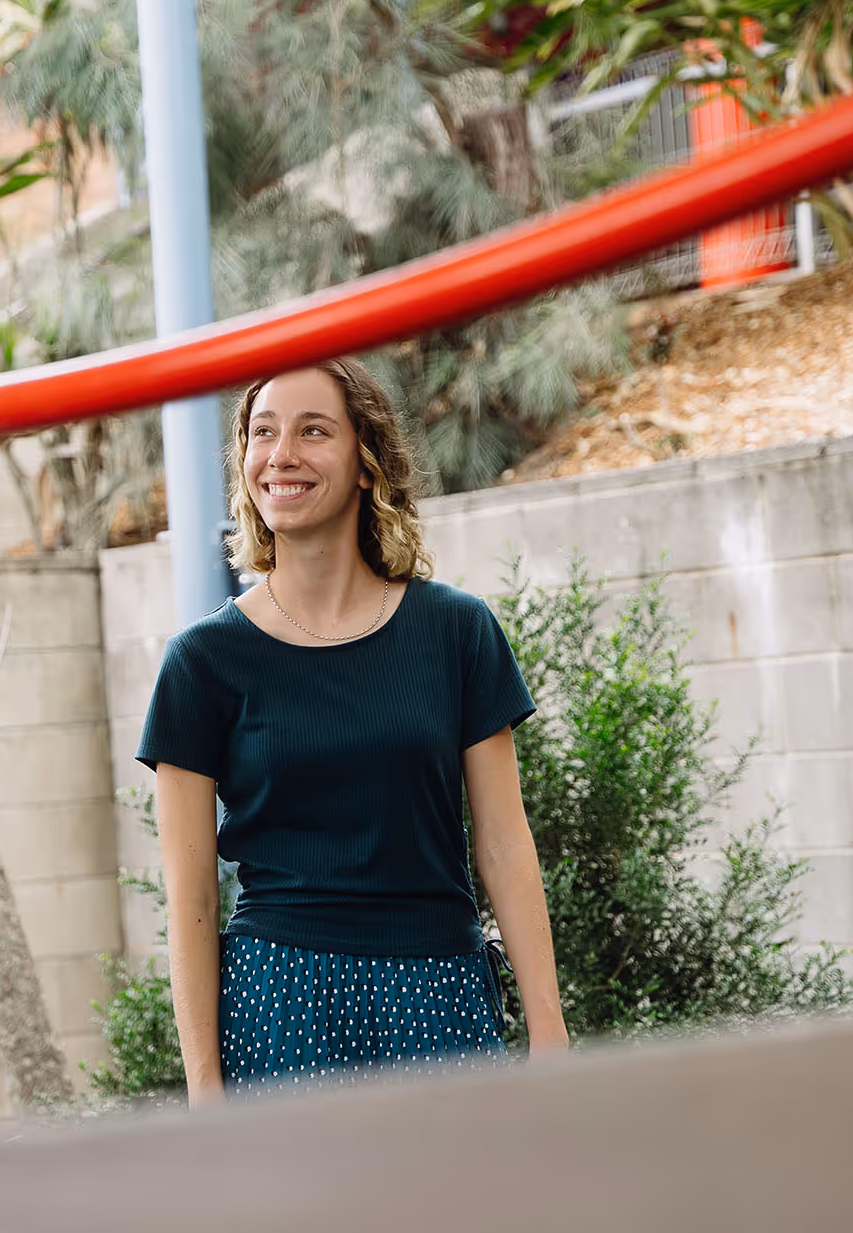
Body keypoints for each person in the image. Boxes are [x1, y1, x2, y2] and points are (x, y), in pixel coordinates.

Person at [136, 355, 569, 1106]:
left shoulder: (457, 632)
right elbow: (192, 896)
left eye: (313, 431)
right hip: (280, 1005)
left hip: (442, 996)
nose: (282, 456)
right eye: (263, 434)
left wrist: (550, 1034)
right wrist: (205, 1092)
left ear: (366, 462)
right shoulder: (202, 662)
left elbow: (503, 843)